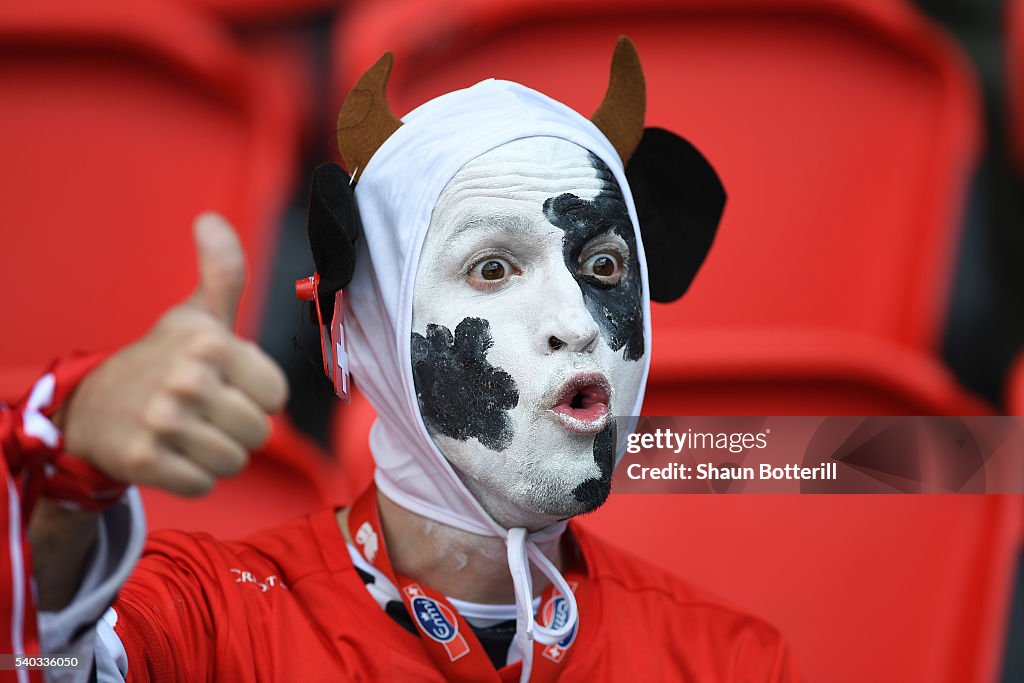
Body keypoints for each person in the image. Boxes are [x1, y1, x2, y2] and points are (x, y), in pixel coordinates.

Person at [26, 38, 798, 681]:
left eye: (602, 268)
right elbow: (30, 660)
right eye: (492, 269)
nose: (577, 323)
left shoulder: (728, 660)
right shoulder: (211, 619)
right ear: (357, 330)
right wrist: (67, 476)